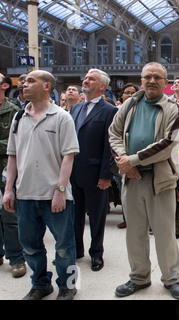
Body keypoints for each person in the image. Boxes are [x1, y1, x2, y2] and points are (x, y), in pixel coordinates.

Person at [109, 62, 179, 299]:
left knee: (164, 232)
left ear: (165, 82)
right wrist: (125, 162)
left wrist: (132, 160)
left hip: (160, 180)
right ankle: (139, 278)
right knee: (135, 232)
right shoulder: (129, 104)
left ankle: (171, 279)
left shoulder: (174, 109)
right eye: (147, 77)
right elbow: (113, 133)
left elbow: (169, 143)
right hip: (132, 179)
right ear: (141, 80)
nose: (152, 80)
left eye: (157, 77)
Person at [3, 70, 80, 300]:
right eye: (24, 81)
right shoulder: (19, 117)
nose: (23, 84)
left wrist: (60, 190)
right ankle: (40, 284)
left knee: (65, 246)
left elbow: (69, 156)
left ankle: (68, 286)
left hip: (55, 196)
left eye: (30, 81)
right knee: (30, 245)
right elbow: (12, 155)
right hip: (25, 195)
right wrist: (9, 189)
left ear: (47, 86)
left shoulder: (61, 117)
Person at [70, 69, 117, 272]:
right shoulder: (76, 108)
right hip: (73, 171)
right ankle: (76, 250)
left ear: (101, 87)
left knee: (97, 216)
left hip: (96, 172)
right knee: (74, 214)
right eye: (86, 78)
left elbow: (110, 145)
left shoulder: (109, 110)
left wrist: (106, 174)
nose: (85, 80)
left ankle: (96, 253)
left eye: (91, 79)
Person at [0, 73, 26, 278]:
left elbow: (18, 145)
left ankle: (16, 258)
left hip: (6, 171)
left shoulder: (14, 112)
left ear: (5, 86)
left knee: (10, 216)